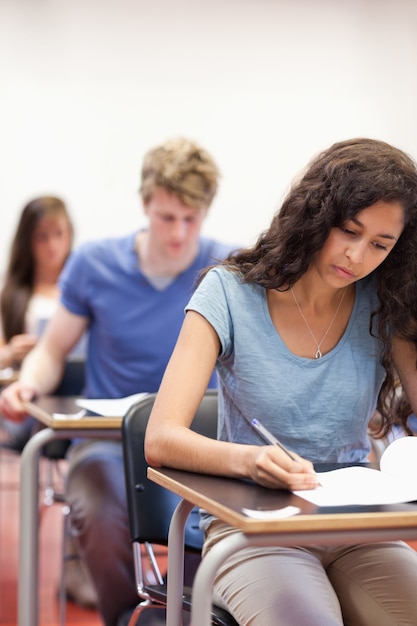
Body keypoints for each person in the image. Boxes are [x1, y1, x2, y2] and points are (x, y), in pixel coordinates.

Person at [145, 137, 417, 626]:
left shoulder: (386, 300)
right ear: (316, 215)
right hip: (253, 528)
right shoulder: (229, 291)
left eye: (381, 244)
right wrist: (250, 461)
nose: (357, 256)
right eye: (349, 231)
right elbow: (161, 438)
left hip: (359, 524)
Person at [0, 136, 236, 625]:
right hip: (108, 442)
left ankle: (186, 612)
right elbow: (52, 349)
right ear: (146, 203)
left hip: (198, 445)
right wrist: (28, 383)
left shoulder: (226, 267)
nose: (179, 232)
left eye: (191, 219)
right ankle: (126, 617)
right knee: (98, 502)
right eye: (167, 217)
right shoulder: (96, 264)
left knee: (211, 527)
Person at [0, 196, 74, 449]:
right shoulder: (11, 296)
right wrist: (10, 353)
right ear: (28, 240)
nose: (52, 245)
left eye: (58, 234)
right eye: (42, 237)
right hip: (29, 393)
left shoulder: (81, 292)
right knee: (31, 423)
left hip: (75, 390)